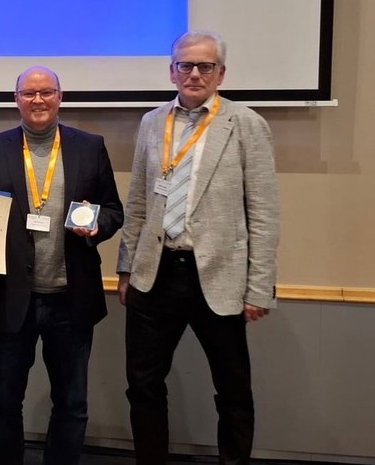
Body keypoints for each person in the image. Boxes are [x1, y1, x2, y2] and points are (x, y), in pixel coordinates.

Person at [116, 31, 280, 465]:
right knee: (143, 385)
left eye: (205, 66)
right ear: (171, 71)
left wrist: (258, 288)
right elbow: (138, 202)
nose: (194, 74)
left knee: (233, 389)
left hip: (218, 277)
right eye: (185, 65)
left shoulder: (246, 124)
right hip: (155, 274)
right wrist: (127, 268)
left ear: (220, 74)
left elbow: (264, 213)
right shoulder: (153, 122)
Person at [0, 66, 124, 465]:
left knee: (71, 404)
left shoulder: (90, 146)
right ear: (16, 99)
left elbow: (113, 210)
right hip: (9, 299)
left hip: (71, 301)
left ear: (60, 97)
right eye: (29, 93)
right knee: (3, 402)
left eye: (46, 92)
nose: (38, 100)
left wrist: (97, 226)